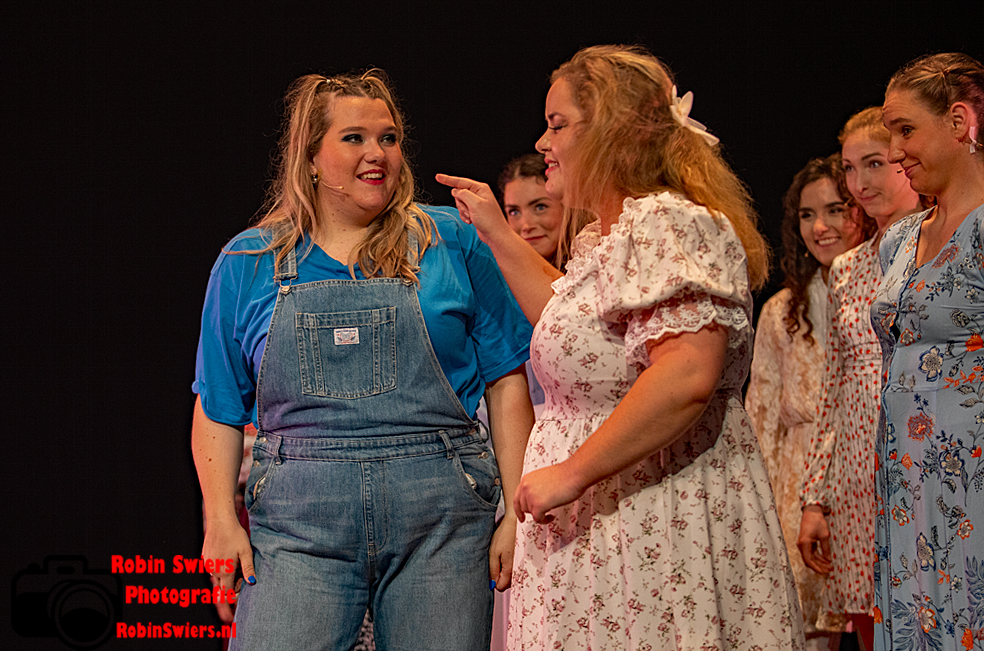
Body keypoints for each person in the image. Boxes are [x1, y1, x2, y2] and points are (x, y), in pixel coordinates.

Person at [439, 44, 804, 650]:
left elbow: (687, 373)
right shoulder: (609, 236)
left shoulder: (670, 223)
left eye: (558, 124)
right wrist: (495, 233)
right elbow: (573, 325)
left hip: (656, 513)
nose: (543, 143)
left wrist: (572, 472)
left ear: (613, 132)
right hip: (607, 520)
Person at [191, 70, 534, 651]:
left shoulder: (450, 241)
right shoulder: (249, 261)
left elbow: (507, 380)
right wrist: (220, 520)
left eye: (389, 138)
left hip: (440, 521)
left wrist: (515, 514)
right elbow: (218, 406)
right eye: (354, 138)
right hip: (299, 525)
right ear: (310, 157)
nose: (377, 153)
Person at [871, 52, 984, 651]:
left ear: (958, 122)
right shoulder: (899, 239)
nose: (896, 151)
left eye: (905, 130)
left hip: (980, 473)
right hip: (907, 473)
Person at [798, 106, 923, 651]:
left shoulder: (942, 247)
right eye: (850, 168)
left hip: (919, 454)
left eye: (873, 163)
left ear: (903, 159)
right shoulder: (848, 269)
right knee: (870, 621)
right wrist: (814, 499)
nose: (859, 182)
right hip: (854, 473)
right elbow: (834, 389)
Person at [746, 154, 871, 649]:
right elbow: (761, 418)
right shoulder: (781, 313)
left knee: (876, 619)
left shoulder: (883, 295)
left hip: (863, 474)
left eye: (835, 209)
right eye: (807, 215)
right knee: (806, 632)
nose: (820, 227)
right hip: (797, 486)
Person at [497, 153, 595, 408]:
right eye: (514, 212)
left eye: (540, 207)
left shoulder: (593, 270)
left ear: (568, 206)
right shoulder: (500, 285)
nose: (526, 224)